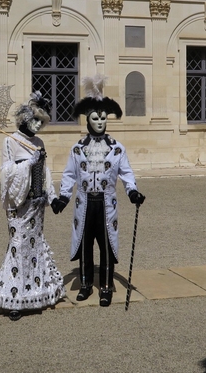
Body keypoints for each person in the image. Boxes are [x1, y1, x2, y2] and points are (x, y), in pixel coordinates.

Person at [52, 74, 145, 307]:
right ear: (87, 120)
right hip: (84, 203)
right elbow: (69, 174)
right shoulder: (77, 148)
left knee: (105, 244)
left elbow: (126, 172)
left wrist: (132, 191)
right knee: (85, 243)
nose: (100, 122)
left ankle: (105, 287)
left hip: (106, 204)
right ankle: (84, 284)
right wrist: (63, 197)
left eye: (103, 118)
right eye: (95, 118)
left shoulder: (116, 148)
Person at [0, 91, 66, 321]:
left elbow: (45, 172)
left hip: (37, 205)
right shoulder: (10, 141)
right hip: (20, 205)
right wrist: (27, 163)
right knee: (18, 246)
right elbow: (6, 174)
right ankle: (14, 297)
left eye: (41, 121)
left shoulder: (38, 142)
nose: (38, 125)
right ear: (24, 119)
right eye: (35, 120)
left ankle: (38, 291)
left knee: (35, 244)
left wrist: (53, 197)